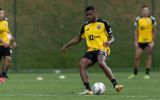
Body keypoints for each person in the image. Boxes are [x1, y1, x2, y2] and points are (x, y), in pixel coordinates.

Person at [60, 6, 123, 95]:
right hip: (90, 50)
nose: (89, 16)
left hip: (102, 48)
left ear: (95, 12)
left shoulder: (104, 23)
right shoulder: (86, 26)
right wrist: (66, 45)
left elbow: (112, 37)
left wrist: (109, 42)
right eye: (87, 15)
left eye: (90, 14)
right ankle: (88, 90)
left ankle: (116, 85)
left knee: (101, 62)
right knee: (82, 64)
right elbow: (78, 39)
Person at [128, 5, 156, 79]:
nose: (145, 12)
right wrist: (136, 41)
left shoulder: (152, 19)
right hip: (140, 42)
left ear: (148, 11)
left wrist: (153, 41)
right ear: (142, 11)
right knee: (137, 56)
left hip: (149, 42)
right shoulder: (138, 19)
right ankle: (135, 74)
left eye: (147, 10)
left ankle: (147, 74)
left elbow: (153, 31)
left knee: (149, 56)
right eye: (144, 10)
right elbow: (136, 31)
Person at [0, 8, 17, 84]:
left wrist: (13, 40)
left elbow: (7, 31)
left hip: (6, 44)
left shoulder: (5, 21)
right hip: (1, 44)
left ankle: (3, 73)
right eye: (0, 13)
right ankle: (0, 76)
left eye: (2, 13)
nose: (1, 15)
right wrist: (3, 41)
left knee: (9, 59)